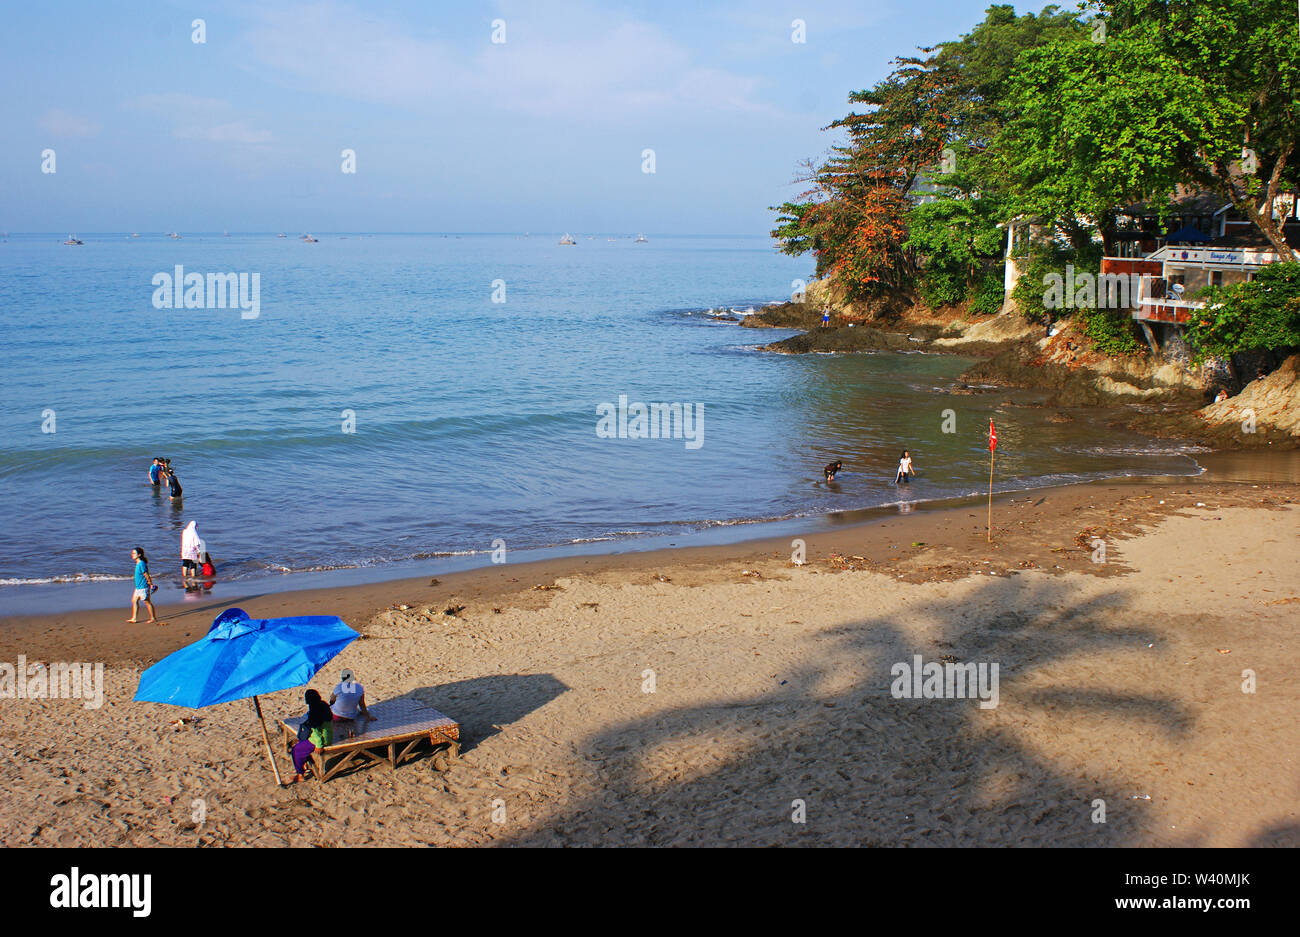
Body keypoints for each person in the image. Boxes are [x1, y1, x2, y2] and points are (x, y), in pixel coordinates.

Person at [290, 689, 335, 783]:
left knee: (296, 749)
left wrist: (319, 745)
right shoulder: (324, 705)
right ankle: (304, 764)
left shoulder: (314, 711)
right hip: (328, 736)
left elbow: (316, 731)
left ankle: (300, 774)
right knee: (302, 743)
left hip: (320, 740)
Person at [329, 669, 375, 738]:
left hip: (336, 717)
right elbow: (362, 704)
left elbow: (332, 700)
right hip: (351, 717)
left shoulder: (339, 686)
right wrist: (368, 717)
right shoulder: (359, 687)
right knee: (358, 709)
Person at [127, 547, 158, 623]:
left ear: (139, 555)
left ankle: (153, 618)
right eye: (132, 553)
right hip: (138, 587)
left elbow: (146, 574)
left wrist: (151, 584)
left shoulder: (141, 564)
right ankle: (134, 618)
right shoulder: (138, 563)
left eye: (134, 553)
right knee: (134, 601)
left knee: (147, 602)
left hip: (143, 587)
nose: (132, 554)